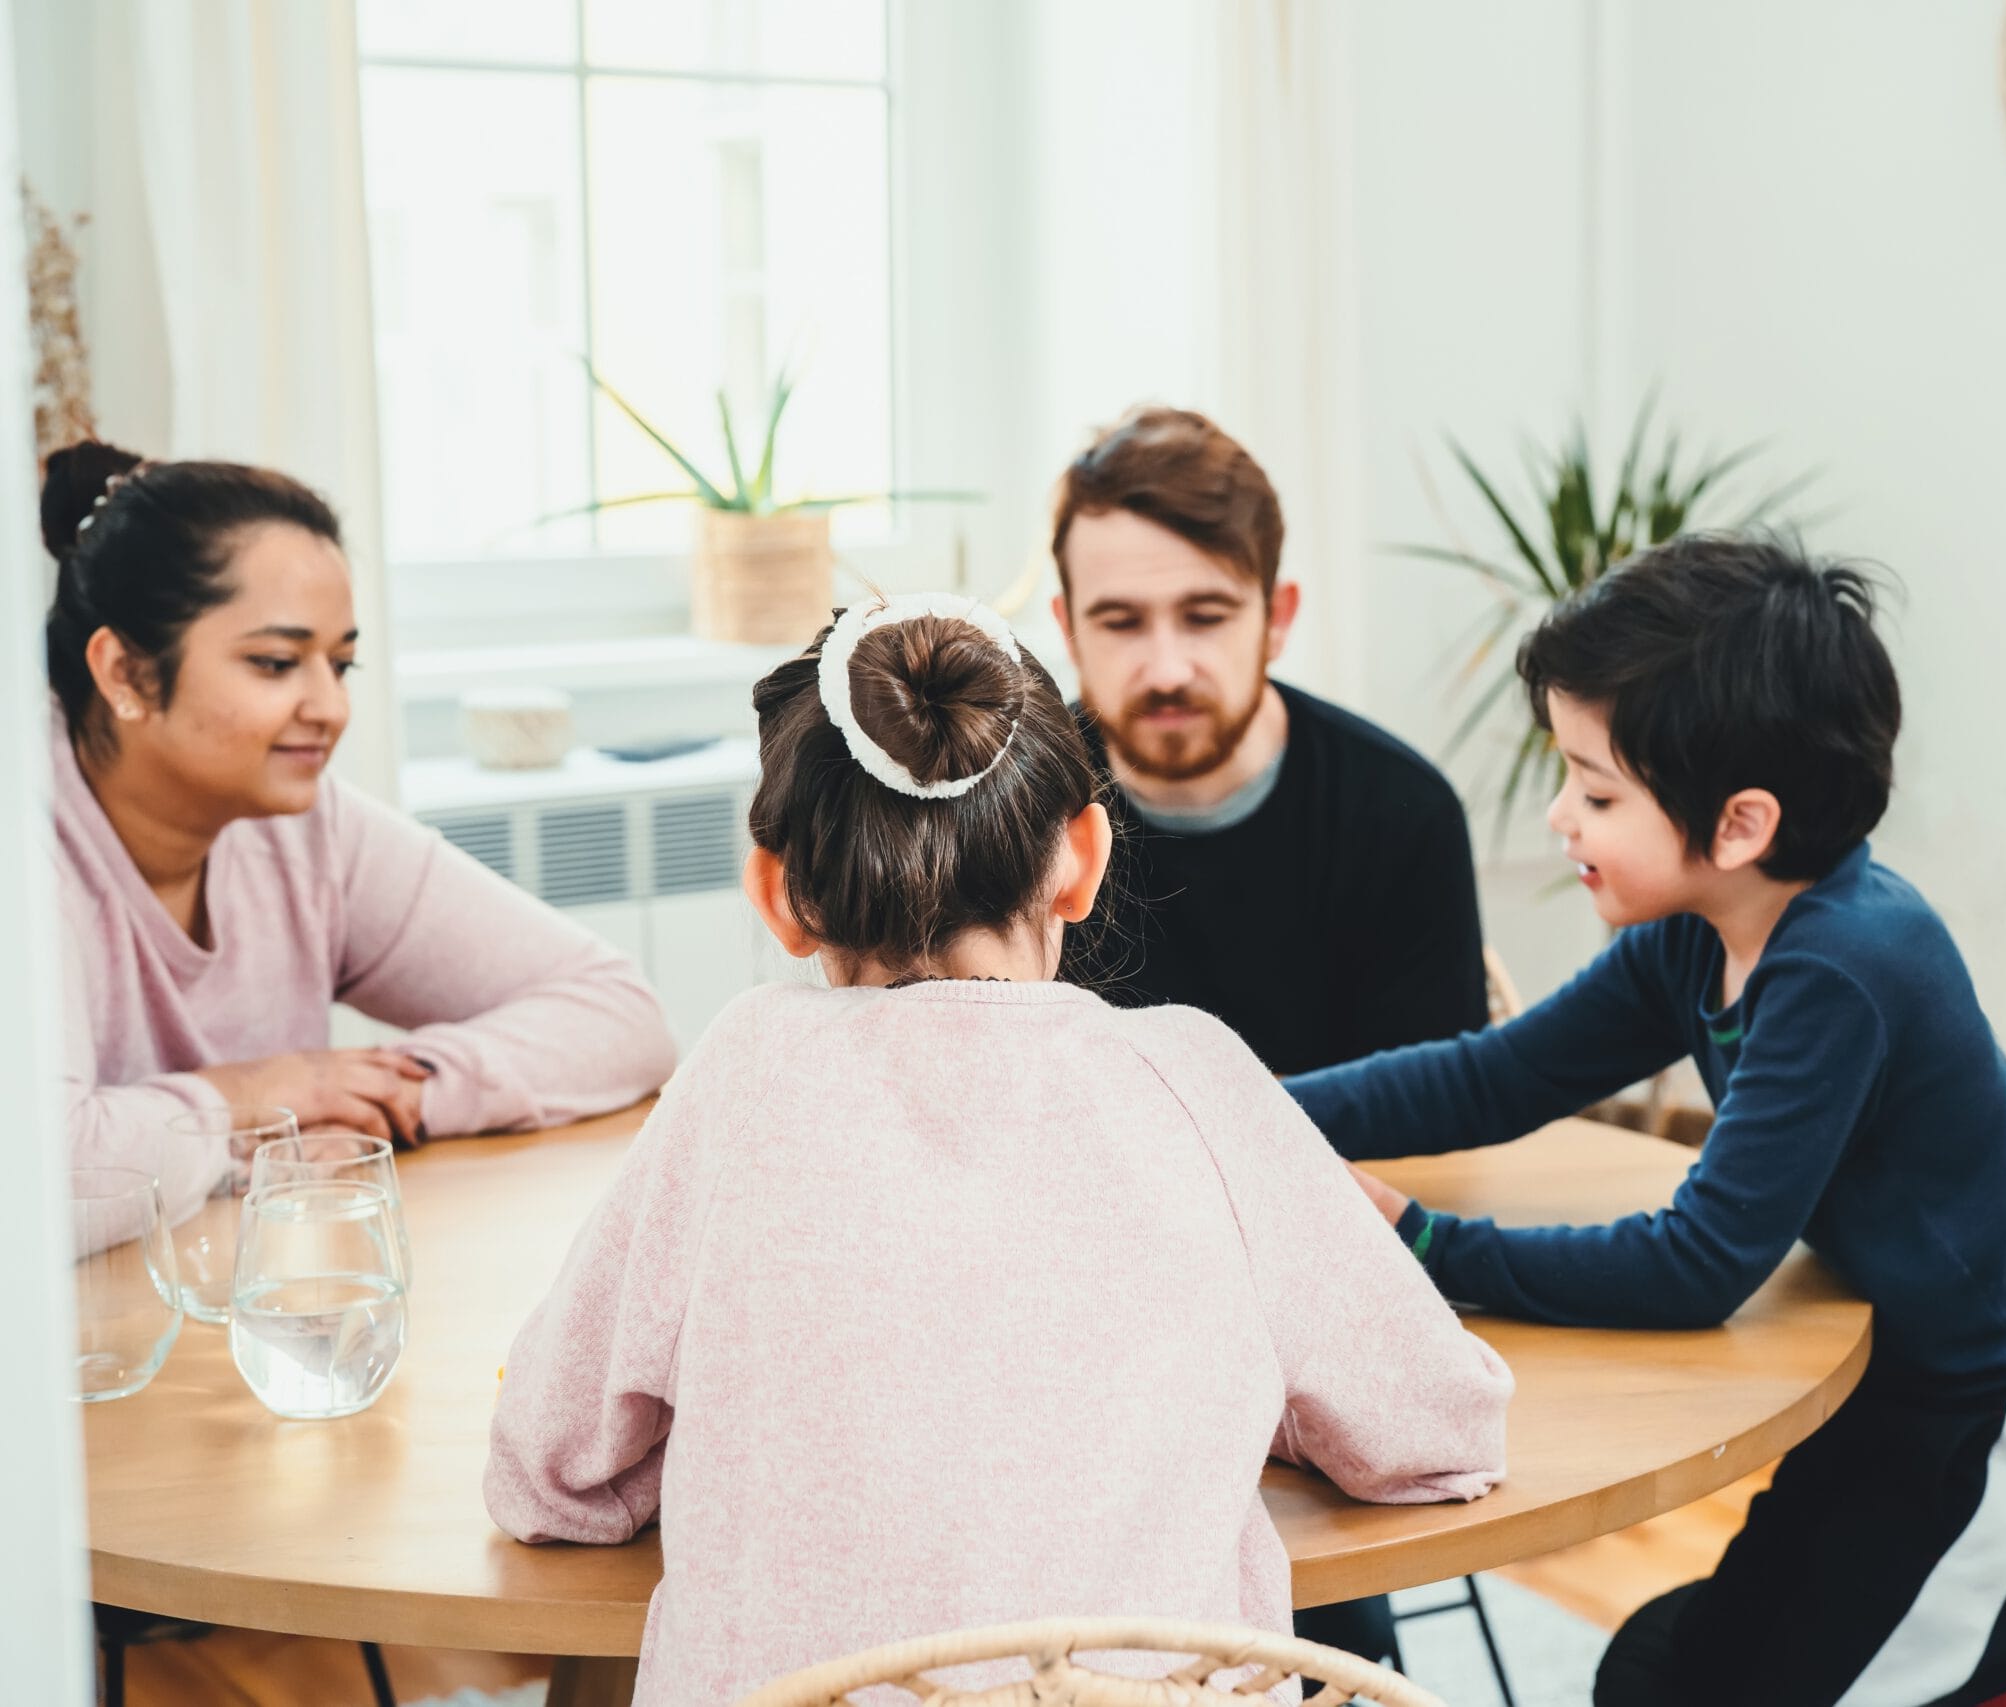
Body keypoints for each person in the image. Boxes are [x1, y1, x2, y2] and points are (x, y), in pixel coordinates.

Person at [484, 593, 1513, 1707]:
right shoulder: (1195, 1078)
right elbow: (1439, 1429)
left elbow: (549, 1473)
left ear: (777, 894)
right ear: (1083, 857)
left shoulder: (740, 1078)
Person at [1291, 536, 2006, 1706]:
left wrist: (1421, 1241)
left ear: (1741, 824)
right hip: (1897, 1377)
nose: (1560, 818)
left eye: (1597, 792)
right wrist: (1253, 1109)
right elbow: (1497, 1078)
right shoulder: (1698, 933)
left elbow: (1696, 1265)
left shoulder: (1844, 964)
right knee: (1666, 1674)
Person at [44, 442, 677, 1216]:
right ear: (124, 672)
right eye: (275, 662)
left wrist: (378, 1096)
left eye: (340, 665)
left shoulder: (307, 830)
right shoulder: (30, 848)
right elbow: (38, 1175)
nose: (331, 708)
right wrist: (254, 1095)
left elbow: (620, 1014)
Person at [1051, 404, 1488, 1076]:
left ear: (1277, 619)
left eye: (1206, 616)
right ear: (1069, 628)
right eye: (1120, 622)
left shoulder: (1402, 815)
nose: (1167, 671)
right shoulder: (1013, 810)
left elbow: (1433, 1113)